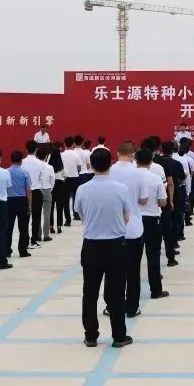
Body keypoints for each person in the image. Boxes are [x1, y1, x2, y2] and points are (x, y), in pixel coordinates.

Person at [75, 148, 133, 348]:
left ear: (91, 165)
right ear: (110, 164)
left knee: (89, 292)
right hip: (116, 245)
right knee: (116, 293)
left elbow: (82, 216)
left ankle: (91, 335)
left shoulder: (82, 189)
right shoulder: (120, 188)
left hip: (91, 245)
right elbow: (126, 218)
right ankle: (119, 336)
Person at [109, 142, 151, 317]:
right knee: (133, 270)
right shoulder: (139, 173)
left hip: (112, 228)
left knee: (113, 271)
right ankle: (132, 307)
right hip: (134, 227)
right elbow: (144, 200)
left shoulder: (110, 171)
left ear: (118, 153)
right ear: (133, 154)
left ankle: (112, 306)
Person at [136, 148, 170, 300]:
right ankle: (156, 290)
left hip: (134, 221)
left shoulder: (130, 178)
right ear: (151, 161)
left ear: (136, 160)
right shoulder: (155, 178)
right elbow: (163, 202)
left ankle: (131, 293)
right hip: (152, 220)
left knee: (133, 259)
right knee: (153, 256)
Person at [5, 151, 33, 260]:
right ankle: (23, 250)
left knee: (8, 228)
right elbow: (29, 191)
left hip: (9, 201)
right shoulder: (24, 172)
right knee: (23, 227)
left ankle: (7, 250)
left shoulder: (6, 172)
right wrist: (30, 205)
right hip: (22, 201)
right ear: (21, 160)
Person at [21, 141, 46, 249]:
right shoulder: (40, 163)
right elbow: (42, 178)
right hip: (36, 192)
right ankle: (34, 240)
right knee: (36, 218)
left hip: (24, 192)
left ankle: (25, 241)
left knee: (24, 219)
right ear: (36, 150)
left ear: (26, 149)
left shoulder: (22, 162)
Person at [62, 136, 83, 223]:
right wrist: (76, 172)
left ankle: (67, 219)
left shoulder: (61, 155)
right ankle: (76, 214)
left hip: (65, 179)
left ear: (64, 144)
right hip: (75, 177)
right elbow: (79, 167)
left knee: (65, 199)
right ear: (73, 144)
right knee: (76, 197)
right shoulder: (76, 154)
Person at [38, 145, 57, 241]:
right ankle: (46, 235)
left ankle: (37, 234)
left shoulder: (36, 166)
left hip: (37, 191)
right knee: (47, 213)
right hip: (47, 190)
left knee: (36, 213)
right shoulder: (50, 167)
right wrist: (50, 189)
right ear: (46, 156)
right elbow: (52, 180)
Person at [51, 146, 70, 233]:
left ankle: (51, 226)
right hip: (60, 185)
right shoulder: (62, 165)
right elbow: (65, 176)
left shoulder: (49, 166)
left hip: (51, 186)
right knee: (60, 207)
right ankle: (59, 225)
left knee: (51, 208)